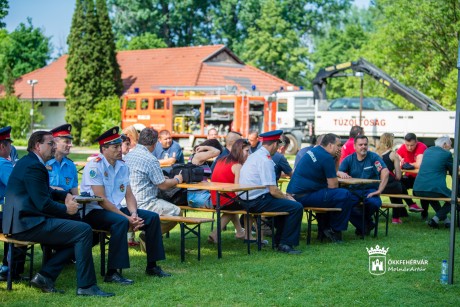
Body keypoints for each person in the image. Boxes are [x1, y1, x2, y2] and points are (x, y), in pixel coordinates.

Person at [2, 131, 113, 296]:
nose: (54, 147)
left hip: (23, 221)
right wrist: (66, 209)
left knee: (79, 231)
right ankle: (86, 286)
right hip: (27, 224)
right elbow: (43, 204)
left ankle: (45, 276)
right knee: (83, 230)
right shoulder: (34, 165)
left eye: (54, 143)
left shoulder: (29, 161)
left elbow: (43, 190)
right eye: (50, 144)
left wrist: (64, 195)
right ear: (38, 146)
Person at [80, 127, 171, 285]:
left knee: (152, 217)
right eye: (115, 147)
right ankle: (112, 273)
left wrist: (134, 214)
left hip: (115, 209)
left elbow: (129, 195)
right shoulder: (95, 166)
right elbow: (101, 199)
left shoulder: (122, 166)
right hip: (94, 212)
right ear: (104, 149)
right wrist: (127, 217)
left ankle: (152, 266)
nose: (120, 149)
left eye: (119, 145)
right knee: (120, 222)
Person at [239, 130, 304, 254]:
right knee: (296, 207)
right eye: (278, 146)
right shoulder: (266, 160)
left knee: (286, 207)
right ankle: (285, 244)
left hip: (245, 199)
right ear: (274, 144)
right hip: (256, 201)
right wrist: (287, 197)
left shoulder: (254, 155)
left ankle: (279, 241)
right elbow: (273, 191)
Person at [287, 133, 354, 242]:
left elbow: (333, 174)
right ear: (331, 145)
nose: (340, 148)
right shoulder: (326, 157)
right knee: (345, 195)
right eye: (338, 145)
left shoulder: (315, 150)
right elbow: (333, 186)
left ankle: (324, 229)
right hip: (303, 196)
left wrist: (337, 159)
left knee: (334, 196)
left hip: (294, 194)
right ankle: (335, 230)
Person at [124, 127, 183, 234]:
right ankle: (148, 235)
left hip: (125, 203)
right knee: (177, 212)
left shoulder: (128, 156)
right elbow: (163, 185)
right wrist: (177, 180)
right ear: (155, 144)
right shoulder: (151, 159)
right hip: (145, 204)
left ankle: (147, 234)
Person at [338, 135, 389, 235]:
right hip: (354, 191)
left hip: (370, 190)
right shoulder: (349, 159)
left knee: (374, 203)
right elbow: (337, 172)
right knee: (344, 205)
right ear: (354, 146)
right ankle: (366, 225)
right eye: (360, 144)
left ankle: (363, 225)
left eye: (365, 144)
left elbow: (385, 171)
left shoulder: (373, 157)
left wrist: (379, 190)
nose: (363, 147)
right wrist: (339, 173)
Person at [209, 139, 253, 243]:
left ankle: (240, 232)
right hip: (226, 200)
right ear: (239, 150)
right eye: (247, 151)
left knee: (234, 206)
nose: (249, 154)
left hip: (216, 198)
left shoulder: (221, 160)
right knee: (251, 205)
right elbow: (238, 190)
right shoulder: (237, 165)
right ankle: (248, 236)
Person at [375, 133, 422, 224]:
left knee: (397, 187)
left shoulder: (375, 154)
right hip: (390, 186)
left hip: (378, 186)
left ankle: (410, 206)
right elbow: (398, 176)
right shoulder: (393, 155)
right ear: (391, 142)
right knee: (398, 185)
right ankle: (398, 215)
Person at [0, 126, 26, 281]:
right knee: (21, 223)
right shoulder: (3, 163)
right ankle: (10, 270)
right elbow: (16, 186)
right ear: (3, 146)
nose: (11, 148)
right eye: (9, 144)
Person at [413, 136, 453, 228]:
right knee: (455, 198)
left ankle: (447, 221)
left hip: (418, 188)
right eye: (450, 145)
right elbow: (453, 170)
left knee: (431, 197)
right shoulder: (446, 154)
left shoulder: (427, 151)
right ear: (444, 145)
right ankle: (435, 219)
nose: (450, 147)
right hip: (433, 189)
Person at [396, 132, 427, 218]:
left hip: (421, 178)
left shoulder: (421, 146)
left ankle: (424, 213)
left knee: (423, 191)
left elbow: (419, 164)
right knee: (396, 185)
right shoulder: (402, 147)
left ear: (416, 142)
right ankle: (407, 208)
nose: (409, 147)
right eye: (407, 145)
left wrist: (406, 164)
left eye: (412, 145)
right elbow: (395, 161)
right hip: (409, 177)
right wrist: (400, 163)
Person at [187, 139, 223, 208]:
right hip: (197, 197)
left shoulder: (201, 159)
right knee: (227, 203)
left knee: (229, 203)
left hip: (202, 195)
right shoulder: (197, 156)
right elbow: (217, 151)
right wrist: (205, 147)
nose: (212, 157)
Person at [45, 124, 78, 195]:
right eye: (66, 142)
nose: (70, 145)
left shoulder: (71, 165)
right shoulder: (43, 163)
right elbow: (38, 188)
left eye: (70, 142)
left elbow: (75, 193)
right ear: (54, 143)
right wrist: (56, 190)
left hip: (66, 204)